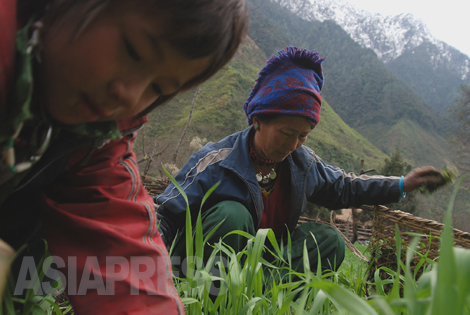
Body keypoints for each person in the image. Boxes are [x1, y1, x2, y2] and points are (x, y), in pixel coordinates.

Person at [0, 0, 248, 313]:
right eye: (133, 51)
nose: (131, 95)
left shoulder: (95, 142)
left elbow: (123, 258)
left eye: (157, 87)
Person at [155, 46, 445, 277]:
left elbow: (345, 187)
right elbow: (165, 213)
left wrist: (402, 184)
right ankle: (217, 295)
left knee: (328, 239)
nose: (293, 145)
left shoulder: (302, 164)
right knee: (232, 214)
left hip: (263, 266)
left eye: (303, 136)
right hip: (204, 267)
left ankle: (259, 292)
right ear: (258, 120)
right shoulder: (218, 161)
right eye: (286, 133)